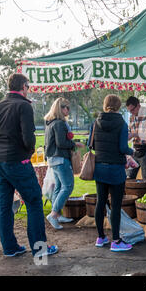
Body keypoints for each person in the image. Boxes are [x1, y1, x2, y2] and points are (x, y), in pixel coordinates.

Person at [0, 73, 58, 257]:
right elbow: (28, 138)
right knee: (34, 202)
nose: (29, 90)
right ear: (24, 86)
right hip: (16, 161)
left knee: (5, 205)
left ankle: (9, 248)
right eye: (28, 86)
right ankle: (39, 251)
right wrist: (28, 154)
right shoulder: (24, 106)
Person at [88, 95, 134, 252]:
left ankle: (100, 237)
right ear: (118, 106)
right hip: (115, 169)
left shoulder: (95, 123)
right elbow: (123, 148)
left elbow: (91, 144)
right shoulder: (122, 123)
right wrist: (131, 151)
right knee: (115, 205)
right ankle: (116, 240)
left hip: (100, 167)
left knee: (100, 202)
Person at [44, 97, 85, 229]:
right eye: (66, 107)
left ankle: (57, 214)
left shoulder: (51, 122)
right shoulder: (59, 124)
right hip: (60, 158)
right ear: (60, 109)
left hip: (53, 159)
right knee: (67, 186)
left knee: (59, 186)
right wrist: (75, 144)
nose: (68, 110)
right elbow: (61, 143)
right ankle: (54, 214)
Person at [126, 96, 146, 181]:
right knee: (128, 178)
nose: (131, 113)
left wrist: (135, 134)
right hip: (135, 151)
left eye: (132, 110)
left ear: (138, 105)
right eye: (129, 111)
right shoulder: (132, 117)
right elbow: (130, 132)